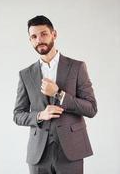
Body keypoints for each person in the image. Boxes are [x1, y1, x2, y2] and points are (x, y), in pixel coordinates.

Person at [13, 15, 97, 174]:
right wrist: (39, 115)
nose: (39, 39)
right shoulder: (25, 74)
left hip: (71, 151)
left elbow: (91, 108)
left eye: (43, 34)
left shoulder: (77, 67)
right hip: (38, 154)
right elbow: (18, 114)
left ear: (54, 34)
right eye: (34, 36)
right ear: (30, 40)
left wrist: (59, 94)